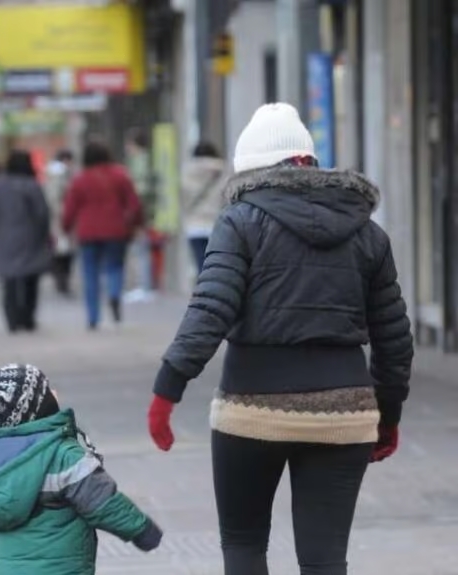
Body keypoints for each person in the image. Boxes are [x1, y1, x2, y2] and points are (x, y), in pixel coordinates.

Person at [147, 103, 414, 575]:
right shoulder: (368, 233)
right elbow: (394, 339)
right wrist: (387, 415)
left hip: (252, 409)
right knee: (325, 560)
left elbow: (211, 308)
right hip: (345, 412)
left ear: (251, 171)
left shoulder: (239, 222)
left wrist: (168, 389)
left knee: (245, 545)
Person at [0, 364, 162, 574]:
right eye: (47, 390)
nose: (54, 391)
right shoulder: (62, 455)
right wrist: (140, 529)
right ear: (33, 408)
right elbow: (102, 501)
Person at [62, 142, 143, 330]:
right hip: (116, 229)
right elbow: (134, 203)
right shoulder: (120, 175)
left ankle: (93, 317)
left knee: (90, 273)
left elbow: (70, 207)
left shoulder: (80, 179)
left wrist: (66, 227)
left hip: (88, 231)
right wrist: (135, 223)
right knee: (115, 266)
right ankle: (114, 294)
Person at [0, 149, 52, 333]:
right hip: (30, 237)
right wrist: (42, 235)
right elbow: (42, 213)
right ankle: (27, 317)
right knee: (30, 279)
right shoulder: (32, 185)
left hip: (3, 237)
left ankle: (12, 318)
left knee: (9, 281)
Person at [181, 141, 230, 274]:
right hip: (217, 225)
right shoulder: (223, 172)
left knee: (200, 266)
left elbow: (183, 200)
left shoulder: (187, 173)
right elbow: (228, 198)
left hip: (194, 227)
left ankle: (203, 292)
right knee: (218, 267)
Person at [123, 129, 158, 301]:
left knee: (140, 249)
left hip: (140, 213)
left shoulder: (140, 161)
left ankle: (143, 286)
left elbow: (139, 190)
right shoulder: (147, 160)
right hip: (145, 212)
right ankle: (144, 285)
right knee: (141, 249)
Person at [44, 149, 75, 296]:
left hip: (57, 218)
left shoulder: (51, 174)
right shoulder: (61, 174)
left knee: (60, 251)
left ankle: (60, 280)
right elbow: (56, 198)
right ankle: (62, 280)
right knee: (63, 252)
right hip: (61, 217)